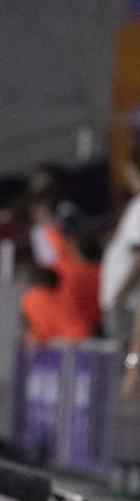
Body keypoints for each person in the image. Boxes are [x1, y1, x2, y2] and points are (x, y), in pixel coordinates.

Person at [100, 146, 140, 349]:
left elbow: (138, 255)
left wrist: (120, 295)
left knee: (128, 364)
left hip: (128, 302)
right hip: (127, 301)